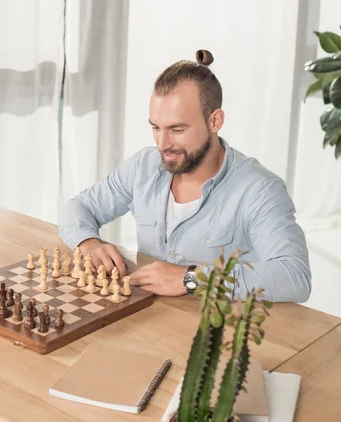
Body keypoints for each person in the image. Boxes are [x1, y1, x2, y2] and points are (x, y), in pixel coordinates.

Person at [59, 50, 311, 303]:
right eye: (156, 128)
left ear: (215, 121)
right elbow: (79, 207)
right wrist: (88, 242)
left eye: (177, 129)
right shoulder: (144, 166)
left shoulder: (259, 190)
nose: (162, 144)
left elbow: (294, 275)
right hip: (148, 320)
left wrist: (191, 278)